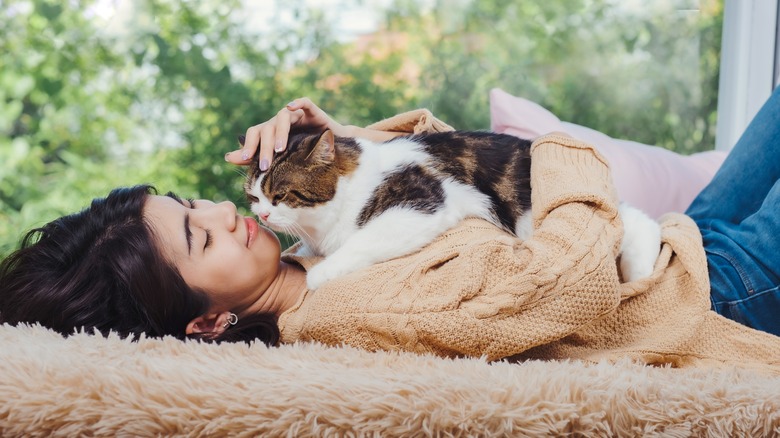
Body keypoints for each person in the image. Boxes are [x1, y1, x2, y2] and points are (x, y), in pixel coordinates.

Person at [1, 91, 779, 374]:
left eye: (189, 204)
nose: (221, 214)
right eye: (201, 240)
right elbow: (563, 285)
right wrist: (570, 155)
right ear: (209, 321)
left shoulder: (312, 255)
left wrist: (333, 149)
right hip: (703, 286)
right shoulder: (352, 312)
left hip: (678, 234)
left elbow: (454, 182)